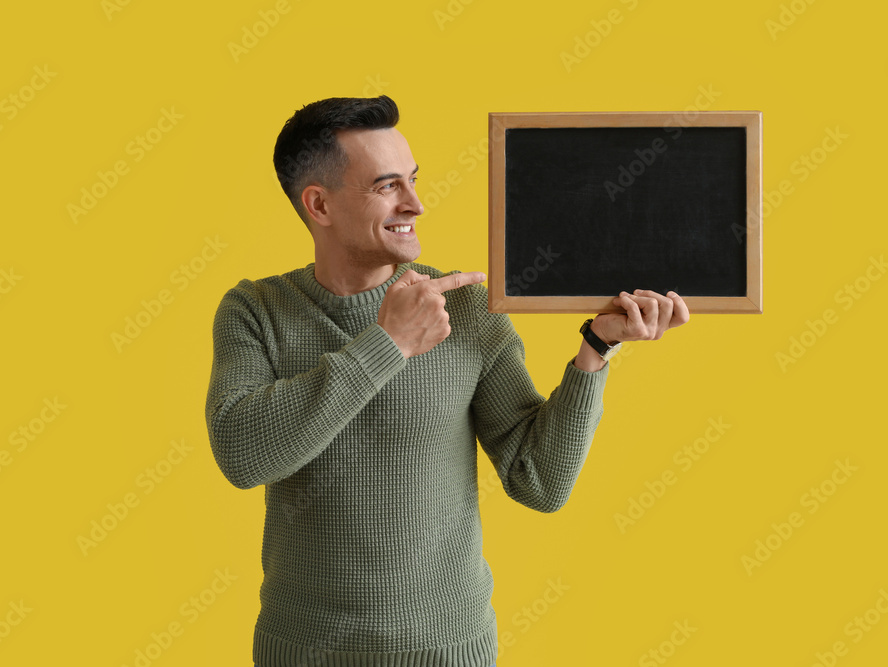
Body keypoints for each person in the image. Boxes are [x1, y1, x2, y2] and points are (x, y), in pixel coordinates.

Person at [205, 95, 689, 667]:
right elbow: (243, 455)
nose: (417, 203)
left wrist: (596, 348)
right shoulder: (255, 310)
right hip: (301, 652)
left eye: (413, 180)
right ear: (320, 204)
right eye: (388, 186)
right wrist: (388, 345)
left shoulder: (468, 310)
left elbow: (538, 481)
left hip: (448, 652)